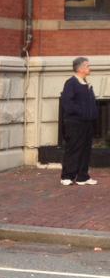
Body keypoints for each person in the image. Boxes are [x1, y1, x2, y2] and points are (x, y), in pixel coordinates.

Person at [60, 57, 99, 186]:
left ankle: (83, 177)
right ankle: (67, 176)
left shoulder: (86, 83)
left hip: (87, 123)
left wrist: (92, 115)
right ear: (81, 68)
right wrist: (82, 112)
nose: (90, 68)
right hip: (75, 123)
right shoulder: (71, 83)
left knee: (85, 150)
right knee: (74, 149)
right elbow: (67, 104)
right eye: (88, 66)